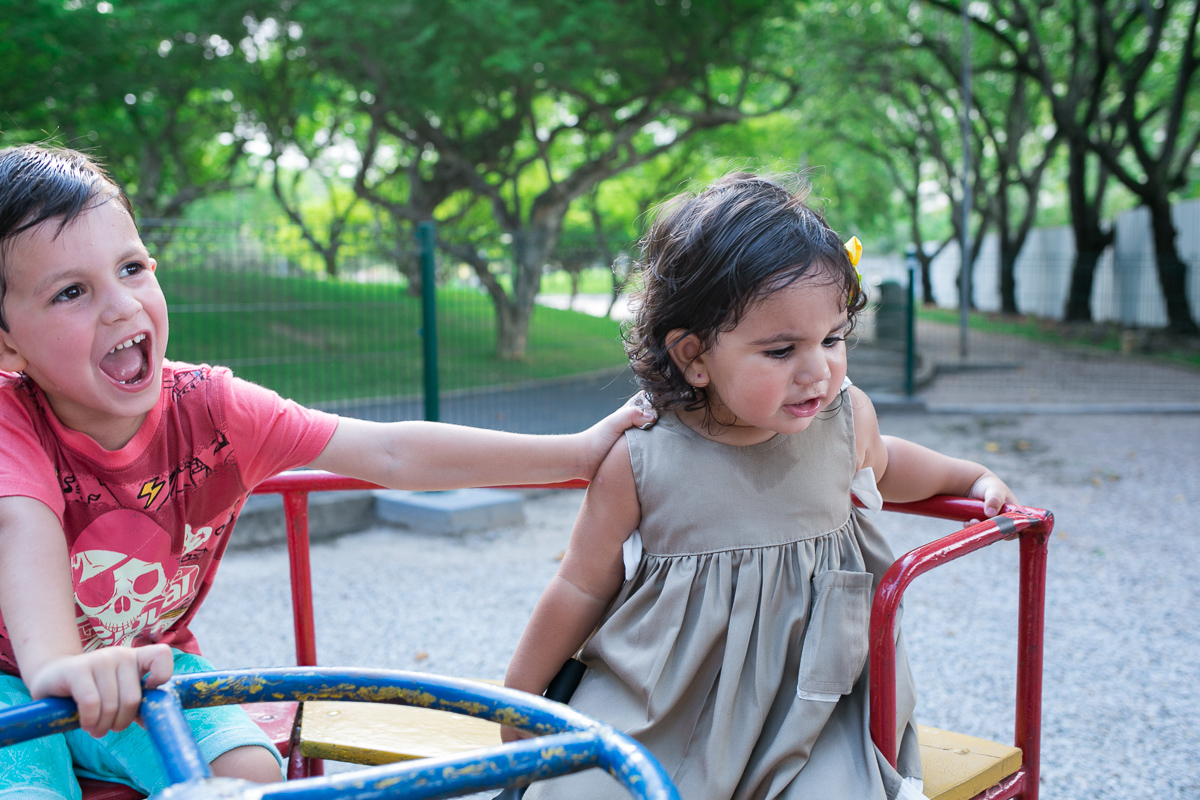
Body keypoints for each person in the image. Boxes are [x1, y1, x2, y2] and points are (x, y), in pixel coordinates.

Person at [0, 143, 656, 799]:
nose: (121, 306)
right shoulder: (10, 420)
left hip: (146, 664)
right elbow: (20, 521)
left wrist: (575, 453)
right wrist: (59, 666)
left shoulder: (213, 410)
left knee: (250, 769)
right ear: (7, 342)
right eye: (72, 292)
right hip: (12, 677)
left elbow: (389, 452)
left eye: (133, 267)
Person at [502, 173, 1017, 800]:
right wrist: (520, 702)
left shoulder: (845, 420)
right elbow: (580, 584)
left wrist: (971, 475)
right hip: (664, 702)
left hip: (816, 703)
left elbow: (893, 465)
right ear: (694, 356)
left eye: (832, 339)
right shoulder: (641, 457)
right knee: (588, 791)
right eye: (781, 350)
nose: (818, 370)